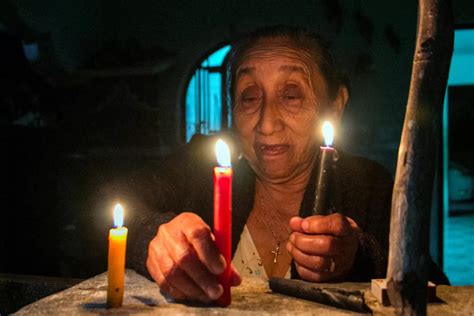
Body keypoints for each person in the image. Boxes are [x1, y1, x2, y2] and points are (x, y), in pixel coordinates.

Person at [122, 25, 448, 304]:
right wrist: (152, 236)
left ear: (335, 106)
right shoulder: (198, 170)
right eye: (249, 97)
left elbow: (433, 286)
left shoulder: (368, 184)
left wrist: (360, 258)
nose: (266, 124)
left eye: (291, 95)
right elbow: (113, 204)